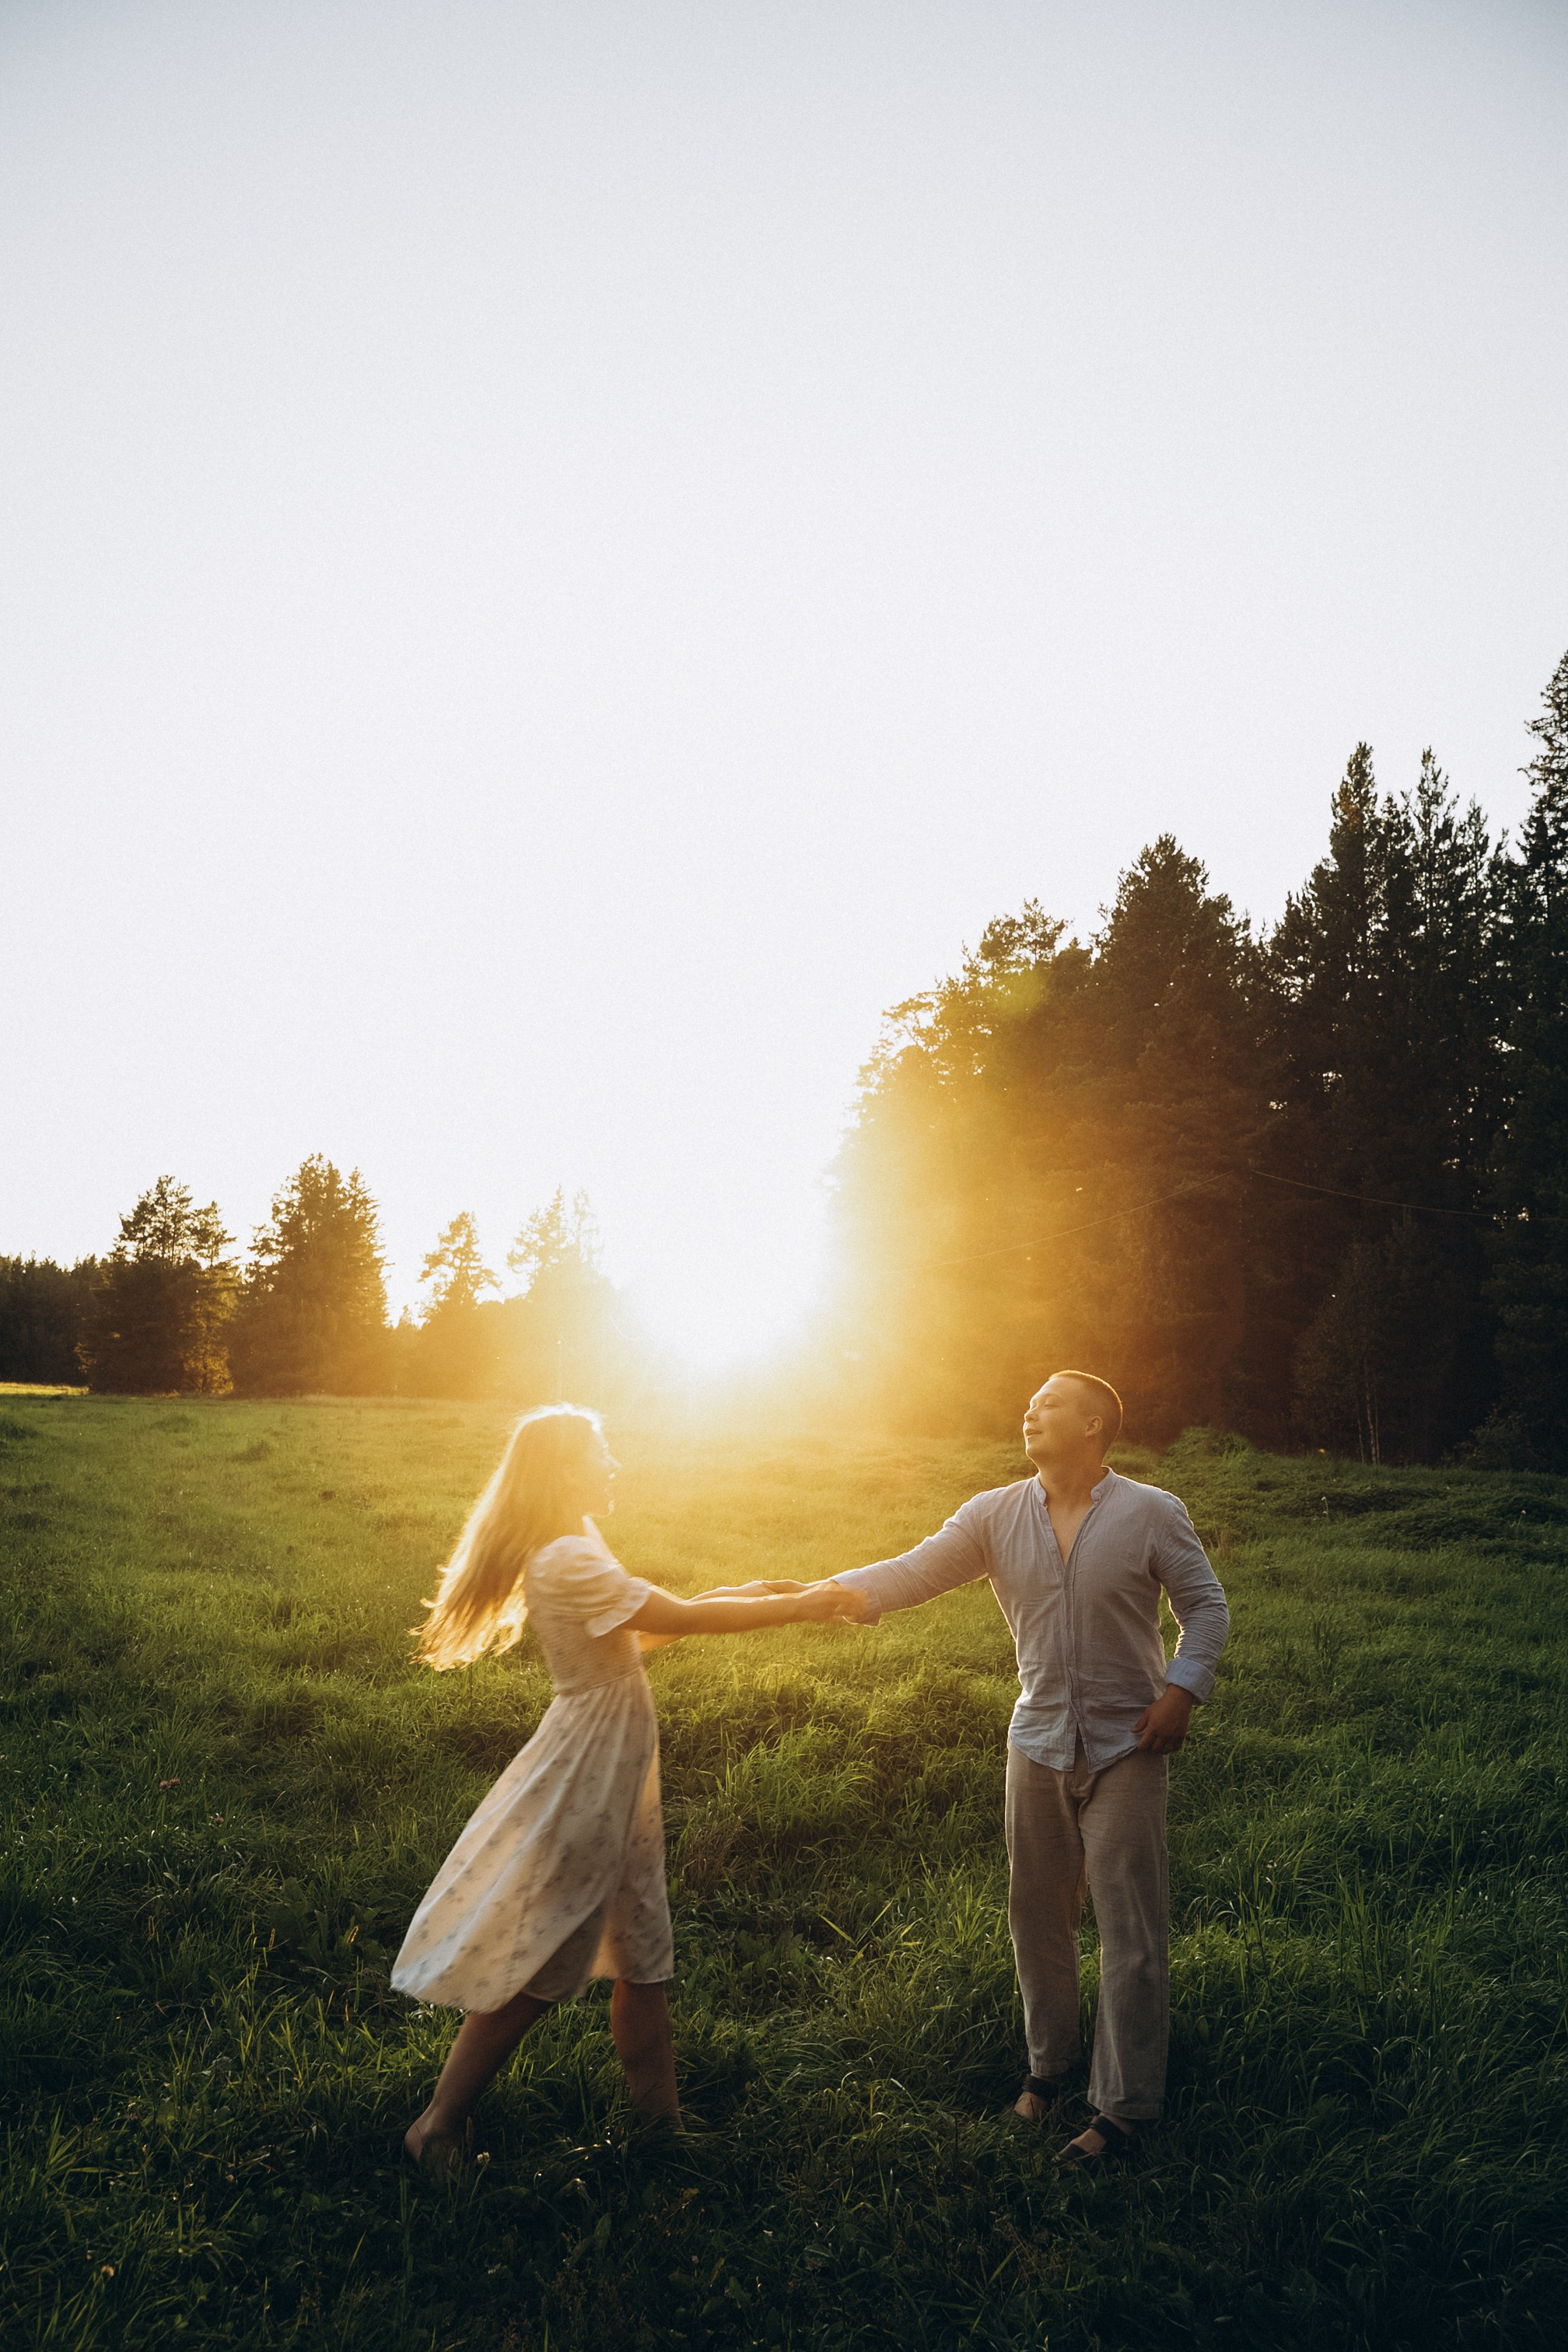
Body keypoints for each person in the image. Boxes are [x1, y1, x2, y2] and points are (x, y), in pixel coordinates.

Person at [788, 1370, 1228, 2164]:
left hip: (1130, 1744)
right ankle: (1050, 2069)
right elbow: (913, 1570)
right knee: (1036, 1918)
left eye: (1052, 1402)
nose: (1031, 1408)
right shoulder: (992, 1515)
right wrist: (824, 1594)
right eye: (1029, 1400)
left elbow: (1207, 1608)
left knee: (1130, 1931)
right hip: (1037, 1744)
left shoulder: (1152, 1513)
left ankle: (1125, 2113)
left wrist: (1182, 1692)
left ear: (1095, 1425)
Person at [392, 1403, 847, 2167]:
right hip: (587, 1775)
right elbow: (680, 1619)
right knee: (543, 1965)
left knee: (643, 1957)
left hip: (616, 1774)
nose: (614, 1466)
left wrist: (745, 1588)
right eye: (602, 1453)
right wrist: (797, 1605)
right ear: (566, 1467)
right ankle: (436, 2125)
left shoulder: (577, 1543)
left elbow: (643, 1631)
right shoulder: (567, 1554)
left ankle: (660, 2137)